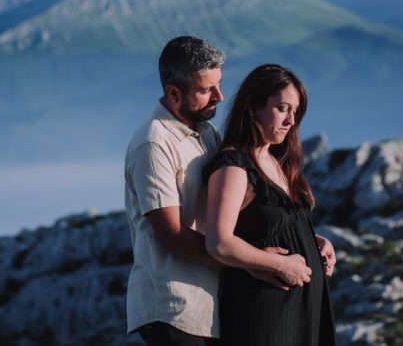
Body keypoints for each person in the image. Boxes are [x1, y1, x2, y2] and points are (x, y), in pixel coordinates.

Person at [125, 38, 311, 346]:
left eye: (219, 84)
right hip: (173, 305)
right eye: (206, 90)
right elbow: (172, 236)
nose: (220, 96)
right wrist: (257, 262)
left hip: (210, 306)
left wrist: (302, 236)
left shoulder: (207, 133)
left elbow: (234, 209)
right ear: (173, 93)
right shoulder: (153, 143)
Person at [203, 64, 337, 346]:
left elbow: (268, 226)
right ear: (253, 107)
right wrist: (280, 264)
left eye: (296, 111)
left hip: (303, 313)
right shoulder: (234, 165)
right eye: (282, 109)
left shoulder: (276, 161)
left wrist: (315, 242)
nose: (291, 120)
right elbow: (219, 242)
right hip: (266, 313)